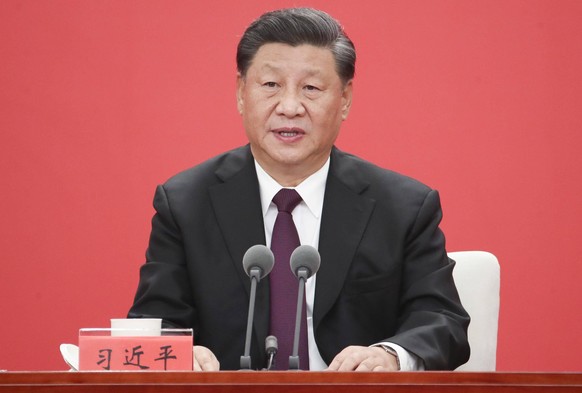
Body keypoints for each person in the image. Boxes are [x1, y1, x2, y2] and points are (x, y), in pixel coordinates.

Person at [128, 7, 470, 372]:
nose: (290, 107)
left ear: (345, 100)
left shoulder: (403, 208)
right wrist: (179, 353)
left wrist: (389, 355)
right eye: (271, 85)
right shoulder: (185, 204)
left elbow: (442, 320)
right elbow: (154, 320)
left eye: (311, 88)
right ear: (242, 93)